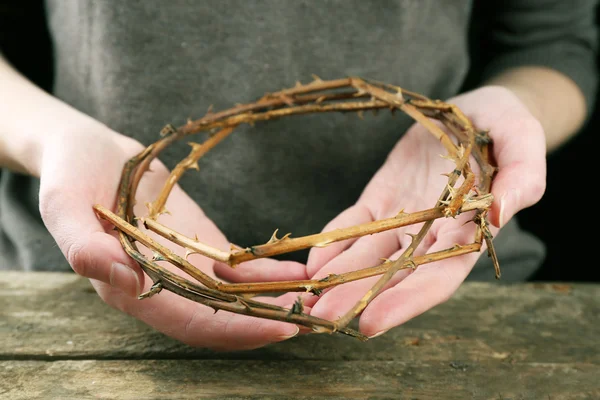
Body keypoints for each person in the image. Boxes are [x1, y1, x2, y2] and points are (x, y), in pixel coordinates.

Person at [0, 1, 597, 351]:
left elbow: (554, 48)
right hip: (78, 298)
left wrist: (506, 114)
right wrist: (50, 137)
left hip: (455, 291)